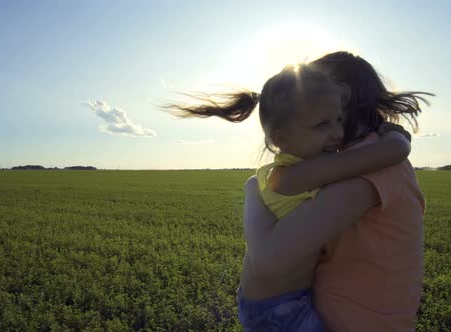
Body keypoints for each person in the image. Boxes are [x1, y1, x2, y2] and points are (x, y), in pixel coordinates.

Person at [165, 62, 415, 331]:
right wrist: (396, 138)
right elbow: (392, 153)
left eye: (338, 119)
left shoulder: (312, 165)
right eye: (322, 124)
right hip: (277, 309)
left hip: (285, 302)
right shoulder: (296, 174)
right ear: (281, 137)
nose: (337, 133)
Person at [243, 51, 432, 331]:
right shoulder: (362, 158)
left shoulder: (371, 165)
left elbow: (271, 259)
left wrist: (251, 192)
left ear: (342, 100)